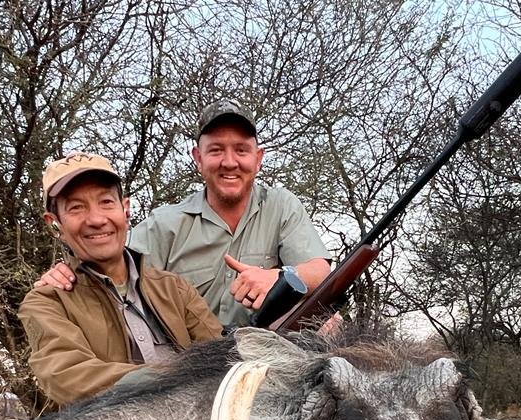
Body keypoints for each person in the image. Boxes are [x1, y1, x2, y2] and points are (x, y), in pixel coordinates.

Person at [36, 100, 331, 327]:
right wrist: (67, 272)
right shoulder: (165, 224)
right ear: (198, 159)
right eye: (216, 150)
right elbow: (109, 266)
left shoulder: (280, 205)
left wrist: (278, 277)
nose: (229, 162)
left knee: (329, 323)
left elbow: (319, 270)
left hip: (267, 352)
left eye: (241, 150)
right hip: (193, 365)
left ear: (258, 159)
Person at [19, 152, 222, 408]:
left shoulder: (174, 288)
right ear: (55, 223)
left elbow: (221, 351)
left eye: (106, 202)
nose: (96, 219)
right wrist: (170, 379)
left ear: (125, 209)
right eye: (76, 208)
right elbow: (65, 375)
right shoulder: (46, 302)